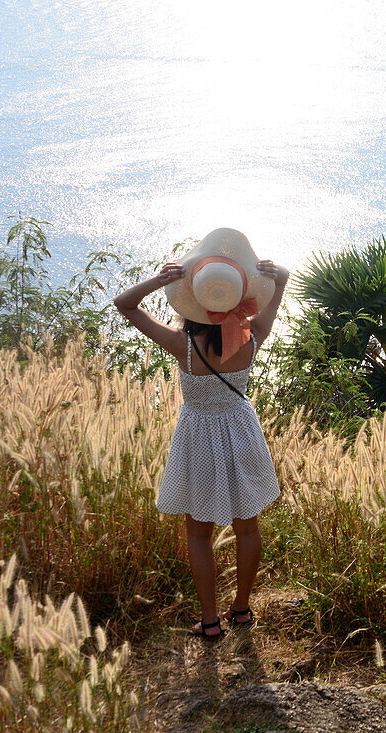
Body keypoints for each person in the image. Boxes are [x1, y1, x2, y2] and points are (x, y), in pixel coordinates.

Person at [114, 228, 289, 640]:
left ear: (194, 295)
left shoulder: (182, 344)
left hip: (197, 436)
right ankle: (242, 611)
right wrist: (273, 277)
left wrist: (160, 280)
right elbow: (281, 282)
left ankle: (210, 622)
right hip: (241, 431)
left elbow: (124, 304)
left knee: (198, 533)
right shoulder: (251, 337)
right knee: (248, 528)